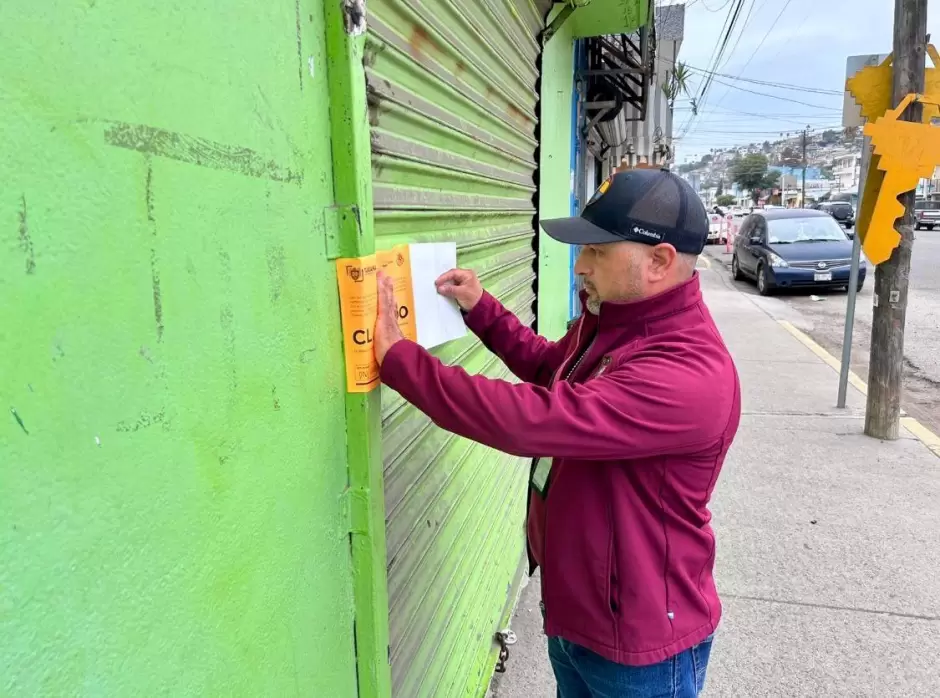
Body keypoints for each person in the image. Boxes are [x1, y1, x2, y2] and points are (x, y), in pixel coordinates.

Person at [374, 168, 741, 697]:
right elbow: (553, 368)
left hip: (638, 645)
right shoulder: (612, 322)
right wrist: (483, 310)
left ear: (658, 261)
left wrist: (400, 361)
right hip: (580, 611)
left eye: (597, 250)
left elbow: (538, 417)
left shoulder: (687, 373)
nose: (580, 266)